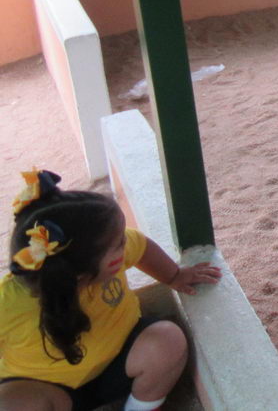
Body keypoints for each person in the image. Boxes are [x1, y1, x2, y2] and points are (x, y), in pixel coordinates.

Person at [0, 169, 221, 411]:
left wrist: (175, 275)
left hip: (120, 364)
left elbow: (142, 247)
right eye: (118, 244)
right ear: (81, 273)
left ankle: (140, 407)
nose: (125, 242)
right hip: (46, 387)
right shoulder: (7, 301)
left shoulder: (108, 253)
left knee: (169, 339)